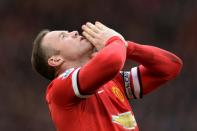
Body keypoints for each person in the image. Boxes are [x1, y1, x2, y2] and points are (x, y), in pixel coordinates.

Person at [31, 21, 183, 131]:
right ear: (55, 60)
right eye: (64, 36)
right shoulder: (59, 89)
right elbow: (113, 61)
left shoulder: (112, 81)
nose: (74, 32)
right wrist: (114, 41)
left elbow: (170, 67)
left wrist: (128, 47)